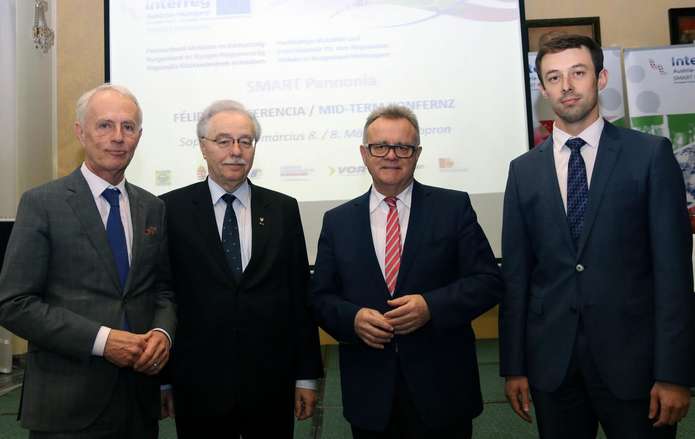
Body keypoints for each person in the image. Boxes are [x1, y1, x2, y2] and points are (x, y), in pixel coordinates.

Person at [500, 34, 695, 439]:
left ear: (601, 78)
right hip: (553, 368)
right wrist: (514, 366)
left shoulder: (650, 155)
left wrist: (675, 372)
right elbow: (517, 277)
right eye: (554, 77)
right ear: (543, 89)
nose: (566, 85)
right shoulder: (523, 171)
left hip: (637, 367)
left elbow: (673, 274)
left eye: (578, 73)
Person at [310, 105, 504, 438]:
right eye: (380, 146)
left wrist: (431, 307)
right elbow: (320, 297)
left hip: (443, 390)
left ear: (417, 154)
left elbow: (487, 282)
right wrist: (352, 319)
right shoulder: (337, 221)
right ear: (364, 153)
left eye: (403, 147)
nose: (391, 155)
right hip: (370, 393)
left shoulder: (453, 208)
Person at [0, 83, 176, 438]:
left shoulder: (152, 207)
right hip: (67, 405)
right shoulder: (42, 204)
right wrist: (103, 340)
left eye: (128, 127)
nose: (118, 137)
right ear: (80, 132)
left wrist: (162, 332)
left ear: (139, 136)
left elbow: (163, 290)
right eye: (105, 125)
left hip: (138, 403)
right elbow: (14, 303)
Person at [159, 100, 323, 438]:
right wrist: (163, 381)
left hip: (271, 382)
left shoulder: (283, 209)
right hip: (198, 384)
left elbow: (298, 297)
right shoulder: (169, 209)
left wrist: (306, 375)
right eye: (224, 141)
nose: (236, 151)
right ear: (203, 147)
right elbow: (163, 294)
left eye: (245, 141)